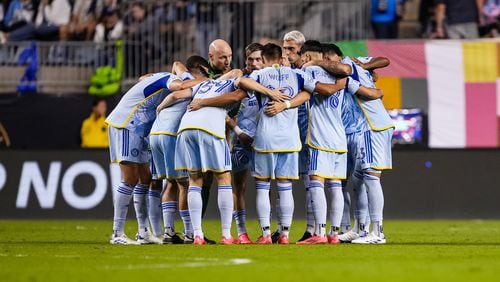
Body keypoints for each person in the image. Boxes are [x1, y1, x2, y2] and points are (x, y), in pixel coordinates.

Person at [158, 72, 287, 245]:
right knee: (224, 177)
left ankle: (197, 235)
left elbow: (175, 95)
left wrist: (160, 107)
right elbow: (239, 86)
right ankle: (226, 234)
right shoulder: (234, 82)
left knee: (195, 180)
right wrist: (270, 92)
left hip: (186, 128)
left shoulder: (203, 85)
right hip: (210, 128)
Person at [106, 71, 203, 245]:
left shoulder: (161, 78)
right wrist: (204, 80)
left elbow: (143, 78)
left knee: (145, 178)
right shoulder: (171, 78)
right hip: (128, 123)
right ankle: (117, 233)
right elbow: (179, 86)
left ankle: (143, 232)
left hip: (140, 129)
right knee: (130, 178)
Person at [149, 55, 210, 244]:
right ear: (200, 69)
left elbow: (175, 64)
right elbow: (176, 93)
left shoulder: (178, 78)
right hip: (171, 134)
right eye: (206, 71)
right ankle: (189, 232)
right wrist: (161, 105)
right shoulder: (193, 83)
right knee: (184, 183)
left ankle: (168, 232)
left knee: (170, 182)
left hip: (156, 133)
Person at [226, 42, 263, 244]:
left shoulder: (269, 82)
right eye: (251, 59)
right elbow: (228, 114)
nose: (255, 63)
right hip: (240, 142)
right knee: (239, 187)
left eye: (258, 59)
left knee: (265, 186)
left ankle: (268, 231)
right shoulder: (239, 82)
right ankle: (241, 232)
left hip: (263, 141)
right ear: (245, 60)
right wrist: (237, 131)